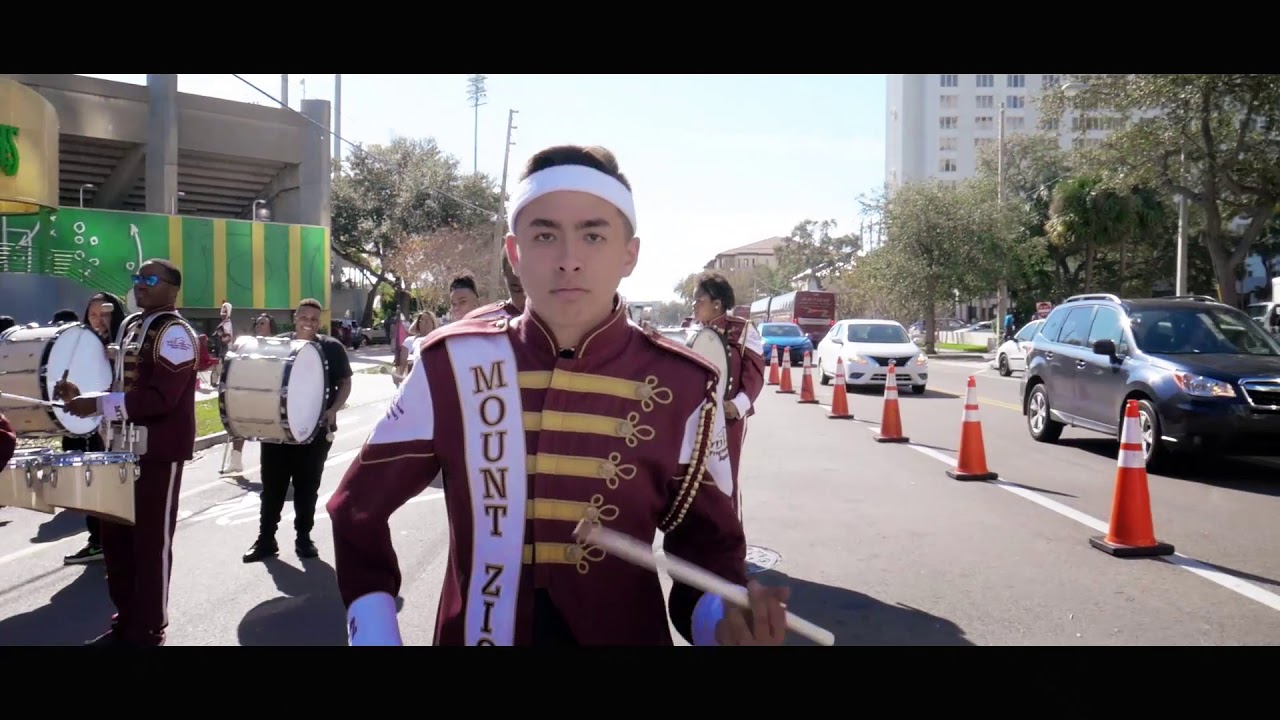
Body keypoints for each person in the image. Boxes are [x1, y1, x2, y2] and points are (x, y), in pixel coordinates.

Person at [326, 144, 791, 647]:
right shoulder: (450, 365)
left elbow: (707, 552)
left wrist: (721, 620)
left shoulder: (685, 385)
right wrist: (374, 633)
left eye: (593, 235)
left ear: (629, 254)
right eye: (545, 235)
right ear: (514, 253)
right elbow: (357, 510)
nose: (569, 261)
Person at [56, 258, 198, 647]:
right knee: (116, 540)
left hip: (156, 453)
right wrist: (83, 397)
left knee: (150, 543)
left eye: (150, 279)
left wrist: (98, 404)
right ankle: (128, 615)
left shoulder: (175, 333)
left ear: (173, 288)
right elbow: (122, 381)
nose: (140, 284)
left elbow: (160, 399)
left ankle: (150, 627)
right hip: (118, 451)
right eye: (137, 278)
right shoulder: (133, 325)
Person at [242, 298, 352, 562]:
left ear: (320, 322)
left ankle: (304, 538)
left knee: (307, 487)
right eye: (304, 317)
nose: (309, 323)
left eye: (314, 319)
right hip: (278, 431)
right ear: (295, 318)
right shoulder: (280, 344)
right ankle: (266, 540)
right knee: (272, 488)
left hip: (316, 432)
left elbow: (345, 383)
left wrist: (333, 409)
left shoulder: (332, 347)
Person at [690, 271, 765, 513]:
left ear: (717, 304)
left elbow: (755, 374)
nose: (693, 305)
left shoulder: (742, 331)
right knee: (691, 480)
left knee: (724, 480)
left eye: (698, 300)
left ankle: (726, 543)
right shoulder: (692, 332)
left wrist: (739, 404)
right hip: (695, 420)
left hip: (728, 420)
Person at [62, 292, 127, 565]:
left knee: (111, 485)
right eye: (93, 315)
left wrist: (118, 356)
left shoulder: (125, 343)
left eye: (105, 314)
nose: (98, 320)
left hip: (114, 426)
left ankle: (106, 542)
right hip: (84, 425)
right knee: (89, 485)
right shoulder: (77, 345)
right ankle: (98, 540)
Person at [223, 314, 277, 475]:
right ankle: (236, 461)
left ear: (271, 326)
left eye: (262, 323)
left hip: (268, 393)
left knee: (271, 430)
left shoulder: (277, 344)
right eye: (257, 323)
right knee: (238, 424)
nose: (258, 326)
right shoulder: (249, 344)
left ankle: (273, 467)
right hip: (249, 391)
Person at [464, 254, 527, 322]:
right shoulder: (480, 321)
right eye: (517, 290)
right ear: (505, 276)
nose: (528, 300)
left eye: (539, 290)